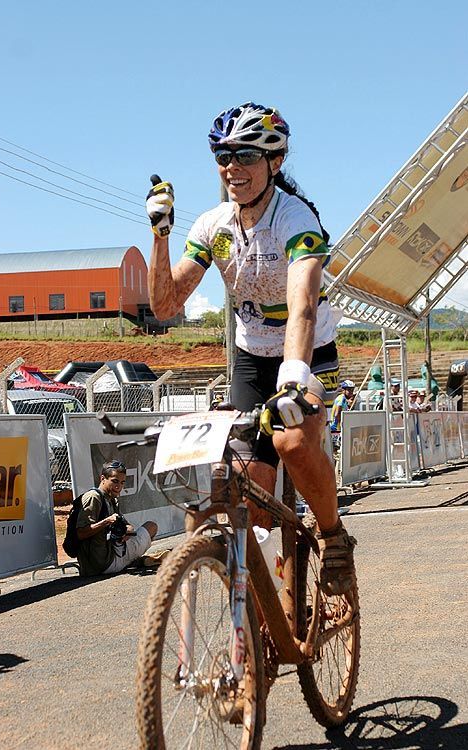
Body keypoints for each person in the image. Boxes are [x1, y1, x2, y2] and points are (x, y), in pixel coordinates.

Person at [145, 102, 356, 596]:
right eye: (222, 156)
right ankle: (263, 619)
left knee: (293, 442)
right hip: (248, 357)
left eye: (245, 155)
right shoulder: (213, 226)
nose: (232, 168)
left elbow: (302, 307)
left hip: (305, 350)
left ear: (274, 162)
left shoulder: (295, 219)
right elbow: (165, 303)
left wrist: (295, 378)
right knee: (252, 493)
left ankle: (334, 536)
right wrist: (160, 234)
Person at [76, 460, 157, 576]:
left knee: (150, 527)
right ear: (102, 478)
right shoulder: (93, 497)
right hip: (103, 563)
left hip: (114, 551)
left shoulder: (111, 498)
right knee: (151, 527)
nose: (118, 486)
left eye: (122, 482)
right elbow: (80, 533)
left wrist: (128, 530)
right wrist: (106, 522)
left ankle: (133, 561)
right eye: (114, 481)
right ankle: (133, 561)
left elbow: (127, 525)